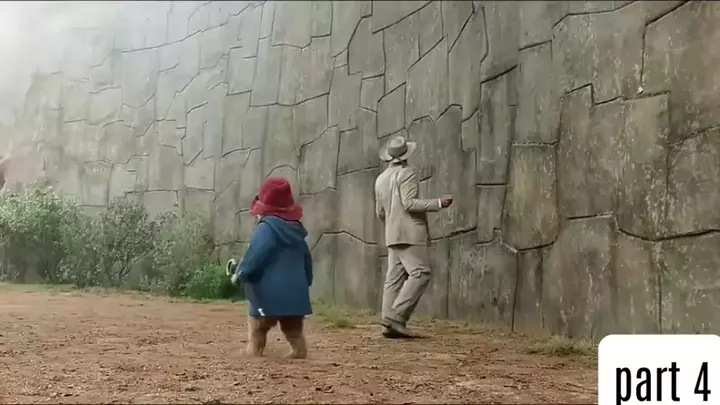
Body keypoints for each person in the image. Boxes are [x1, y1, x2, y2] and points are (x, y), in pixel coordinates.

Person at [374, 135, 453, 338]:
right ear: (406, 155)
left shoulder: (380, 179)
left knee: (393, 279)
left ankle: (387, 323)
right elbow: (409, 203)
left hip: (392, 233)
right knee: (420, 273)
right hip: (410, 232)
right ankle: (396, 317)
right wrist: (438, 203)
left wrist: (393, 222)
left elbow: (380, 212)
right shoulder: (407, 173)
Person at [227, 177, 313, 358]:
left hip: (268, 296)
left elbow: (255, 255)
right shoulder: (298, 232)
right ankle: (298, 350)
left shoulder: (266, 229)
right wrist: (307, 280)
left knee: (258, 326)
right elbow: (307, 261)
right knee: (293, 329)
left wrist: (240, 273)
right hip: (296, 297)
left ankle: (254, 350)